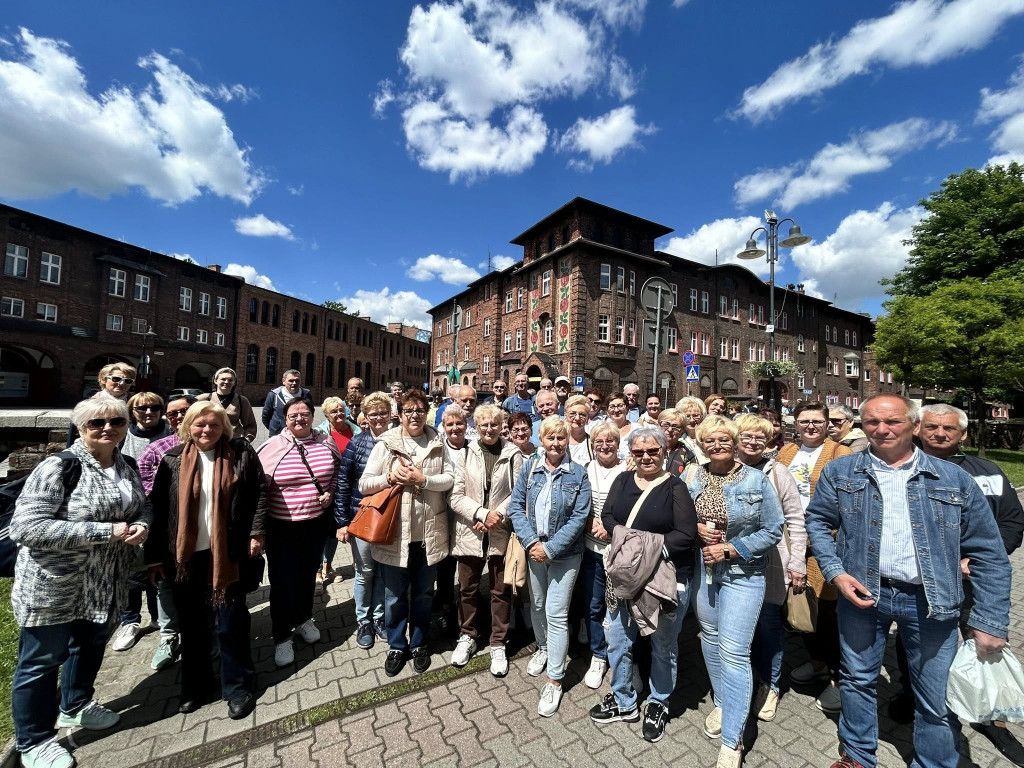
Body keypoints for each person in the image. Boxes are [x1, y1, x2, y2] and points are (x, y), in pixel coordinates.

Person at [806, 394, 1012, 768]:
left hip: (931, 599)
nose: (881, 429)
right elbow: (818, 521)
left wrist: (990, 621)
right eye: (872, 421)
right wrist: (836, 572)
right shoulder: (841, 472)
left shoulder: (953, 478)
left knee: (935, 693)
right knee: (856, 680)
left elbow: (989, 552)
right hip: (863, 593)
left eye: (893, 421)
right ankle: (857, 754)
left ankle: (934, 761)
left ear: (914, 425)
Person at [11, 397, 148, 768]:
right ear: (81, 428)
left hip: (105, 581)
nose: (108, 428)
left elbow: (141, 506)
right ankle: (34, 741)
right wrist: (106, 531)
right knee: (41, 662)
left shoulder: (126, 464)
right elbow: (26, 527)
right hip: (55, 585)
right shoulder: (59, 466)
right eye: (96, 423)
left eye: (117, 421)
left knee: (88, 646)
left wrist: (142, 524)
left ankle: (76, 705)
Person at [889, 403, 1024, 759]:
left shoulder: (987, 472)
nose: (939, 433)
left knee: (983, 642)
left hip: (973, 580)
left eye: (949, 428)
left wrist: (975, 560)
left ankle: (992, 717)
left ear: (963, 434)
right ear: (918, 429)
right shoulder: (899, 468)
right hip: (919, 582)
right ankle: (910, 691)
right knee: (912, 639)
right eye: (932, 427)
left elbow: (1012, 521)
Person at [145, 401, 265, 720]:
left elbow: (259, 491)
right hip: (186, 559)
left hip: (227, 554)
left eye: (214, 424)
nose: (207, 430)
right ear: (188, 427)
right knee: (193, 626)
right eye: (200, 424)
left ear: (224, 427)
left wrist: (257, 532)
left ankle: (237, 686)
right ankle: (196, 687)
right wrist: (154, 557)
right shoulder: (172, 460)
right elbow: (158, 509)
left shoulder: (240, 453)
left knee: (230, 622)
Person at [685, 415, 783, 768]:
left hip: (744, 574)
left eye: (724, 439)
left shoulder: (756, 479)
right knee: (710, 638)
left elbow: (774, 529)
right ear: (702, 444)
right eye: (710, 440)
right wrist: (695, 527)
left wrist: (731, 549)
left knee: (735, 651)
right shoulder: (692, 475)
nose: (717, 445)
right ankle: (724, 702)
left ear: (735, 441)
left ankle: (733, 740)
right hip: (703, 571)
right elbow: (678, 517)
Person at [590, 426, 697, 743]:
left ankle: (659, 702)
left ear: (664, 452)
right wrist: (637, 546)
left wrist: (638, 547)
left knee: (663, 645)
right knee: (618, 639)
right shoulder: (623, 480)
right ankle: (623, 700)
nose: (646, 457)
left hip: (663, 579)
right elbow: (608, 516)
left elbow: (686, 535)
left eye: (652, 451)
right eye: (639, 452)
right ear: (631, 454)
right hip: (625, 577)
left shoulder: (675, 487)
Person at [359, 389, 453, 677]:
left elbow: (450, 478)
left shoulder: (437, 441)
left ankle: (420, 643)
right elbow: (364, 484)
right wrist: (389, 478)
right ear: (399, 414)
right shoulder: (386, 444)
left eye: (420, 410)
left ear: (427, 413)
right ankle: (397, 645)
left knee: (424, 594)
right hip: (395, 536)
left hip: (428, 535)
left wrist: (423, 480)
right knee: (394, 597)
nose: (415, 416)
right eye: (409, 411)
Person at [507, 416, 591, 717]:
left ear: (567, 439)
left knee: (556, 613)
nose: (556, 443)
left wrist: (551, 548)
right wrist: (532, 543)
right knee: (538, 604)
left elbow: (579, 518)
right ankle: (542, 647)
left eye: (561, 438)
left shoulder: (578, 474)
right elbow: (515, 506)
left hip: (565, 554)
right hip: (534, 549)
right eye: (550, 438)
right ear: (541, 440)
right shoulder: (531, 467)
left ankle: (555, 679)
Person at [777, 401, 852, 713]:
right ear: (796, 424)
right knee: (801, 604)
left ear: (826, 424)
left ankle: (840, 679)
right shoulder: (787, 452)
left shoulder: (840, 454)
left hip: (824, 544)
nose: (810, 426)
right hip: (790, 541)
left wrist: (819, 536)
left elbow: (847, 504)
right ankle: (818, 663)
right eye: (804, 421)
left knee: (828, 612)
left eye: (817, 421)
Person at [257, 397, 341, 667]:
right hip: (282, 527)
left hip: (315, 524)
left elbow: (337, 472)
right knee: (283, 582)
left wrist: (330, 492)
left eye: (304, 414)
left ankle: (304, 619)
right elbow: (258, 487)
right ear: (285, 419)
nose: (299, 419)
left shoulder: (325, 442)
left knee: (307, 577)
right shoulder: (272, 446)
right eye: (293, 415)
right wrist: (256, 530)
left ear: (313, 416)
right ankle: (282, 636)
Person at [734, 414, 806, 723]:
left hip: (771, 562)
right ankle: (742, 680)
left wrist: (797, 561)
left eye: (760, 438)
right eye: (747, 436)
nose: (753, 442)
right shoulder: (726, 468)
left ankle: (770, 683)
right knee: (738, 626)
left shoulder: (778, 472)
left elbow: (796, 520)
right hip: (731, 561)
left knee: (768, 624)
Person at [448, 404, 525, 675]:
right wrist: (481, 513)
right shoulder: (466, 452)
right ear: (477, 427)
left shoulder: (513, 454)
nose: (489, 429)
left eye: (494, 424)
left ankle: (498, 642)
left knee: (500, 591)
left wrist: (496, 515)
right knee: (467, 588)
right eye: (484, 425)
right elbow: (455, 496)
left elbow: (519, 493)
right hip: (470, 532)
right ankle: (467, 635)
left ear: (501, 425)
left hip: (499, 533)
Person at [110, 392, 174, 656]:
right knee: (133, 570)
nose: (149, 412)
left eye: (155, 407)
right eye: (142, 408)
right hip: (132, 510)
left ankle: (159, 617)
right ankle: (130, 621)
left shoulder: (171, 433)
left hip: (164, 510)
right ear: (131, 411)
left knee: (157, 566)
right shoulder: (122, 435)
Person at [135, 394, 195, 670]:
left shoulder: (214, 442)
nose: (179, 417)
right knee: (166, 585)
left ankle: (204, 634)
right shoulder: (156, 450)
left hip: (204, 530)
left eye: (185, 411)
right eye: (173, 414)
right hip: (167, 531)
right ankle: (168, 636)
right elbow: (147, 495)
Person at [334, 392, 392, 649]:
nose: (379, 418)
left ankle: (379, 618)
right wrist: (341, 522)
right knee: (364, 571)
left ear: (390, 414)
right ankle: (363, 621)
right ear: (365, 417)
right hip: (363, 516)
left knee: (382, 571)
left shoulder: (398, 440)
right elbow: (343, 483)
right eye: (373, 414)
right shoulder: (357, 444)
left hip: (390, 516)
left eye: (383, 413)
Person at [579, 421, 624, 691]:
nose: (605, 446)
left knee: (619, 608)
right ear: (592, 444)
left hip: (618, 552)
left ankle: (623, 657)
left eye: (610, 441)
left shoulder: (628, 470)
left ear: (618, 443)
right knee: (594, 604)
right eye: (599, 442)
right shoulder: (585, 469)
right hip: (590, 549)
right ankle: (598, 655)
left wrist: (611, 529)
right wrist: (587, 523)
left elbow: (635, 510)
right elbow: (578, 504)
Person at [314, 397, 361, 591]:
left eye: (341, 410)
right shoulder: (319, 433)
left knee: (335, 531)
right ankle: (317, 572)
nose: (339, 414)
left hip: (348, 488)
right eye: (334, 411)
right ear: (326, 415)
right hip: (327, 488)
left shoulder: (356, 430)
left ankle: (328, 566)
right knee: (321, 532)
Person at [66, 362, 137, 447]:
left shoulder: (138, 405)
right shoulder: (88, 406)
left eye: (128, 381)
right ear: (104, 379)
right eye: (116, 379)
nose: (122, 383)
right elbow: (75, 434)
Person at [196, 367, 258, 442]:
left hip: (234, 442)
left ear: (234, 382)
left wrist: (246, 440)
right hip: (210, 441)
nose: (226, 382)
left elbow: (250, 425)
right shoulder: (204, 399)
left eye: (230, 380)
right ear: (215, 381)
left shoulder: (241, 400)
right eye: (223, 379)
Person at [261, 370, 311, 437]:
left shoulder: (306, 395)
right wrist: (274, 428)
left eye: (297, 380)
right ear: (283, 381)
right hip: (278, 435)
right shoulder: (274, 395)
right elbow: (266, 416)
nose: (294, 383)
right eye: (291, 380)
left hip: (300, 434)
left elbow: (310, 414)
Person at [659, 409, 695, 476]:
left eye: (675, 426)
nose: (670, 429)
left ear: (682, 431)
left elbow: (690, 478)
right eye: (666, 425)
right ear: (659, 426)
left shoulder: (687, 454)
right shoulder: (648, 448)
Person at [676, 396, 709, 466]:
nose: (691, 420)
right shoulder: (678, 440)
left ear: (702, 416)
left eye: (696, 415)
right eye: (687, 416)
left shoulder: (709, 437)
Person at [565, 395, 593, 465]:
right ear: (565, 416)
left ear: (587, 418)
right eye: (572, 414)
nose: (577, 418)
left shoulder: (593, 443)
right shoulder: (559, 442)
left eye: (582, 414)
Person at [604, 392, 633, 460]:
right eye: (612, 406)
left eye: (620, 406)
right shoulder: (600, 429)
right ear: (607, 411)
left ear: (627, 409)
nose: (616, 410)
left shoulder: (637, 429)